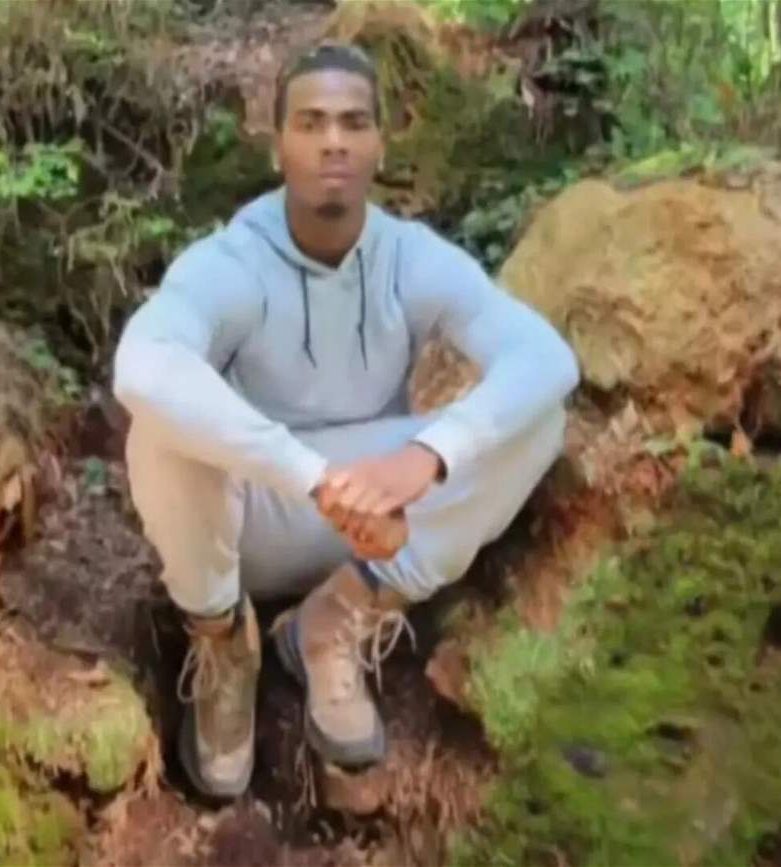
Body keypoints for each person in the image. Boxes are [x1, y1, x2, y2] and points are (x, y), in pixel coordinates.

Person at [112, 41, 580, 800]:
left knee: (541, 422)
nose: (334, 141)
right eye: (311, 122)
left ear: (380, 144)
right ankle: (225, 642)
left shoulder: (409, 257)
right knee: (160, 431)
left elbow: (545, 357)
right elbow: (142, 365)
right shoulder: (233, 262)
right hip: (251, 522)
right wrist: (314, 478)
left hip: (380, 524)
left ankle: (336, 620)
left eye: (354, 122)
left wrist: (427, 455)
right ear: (277, 145)